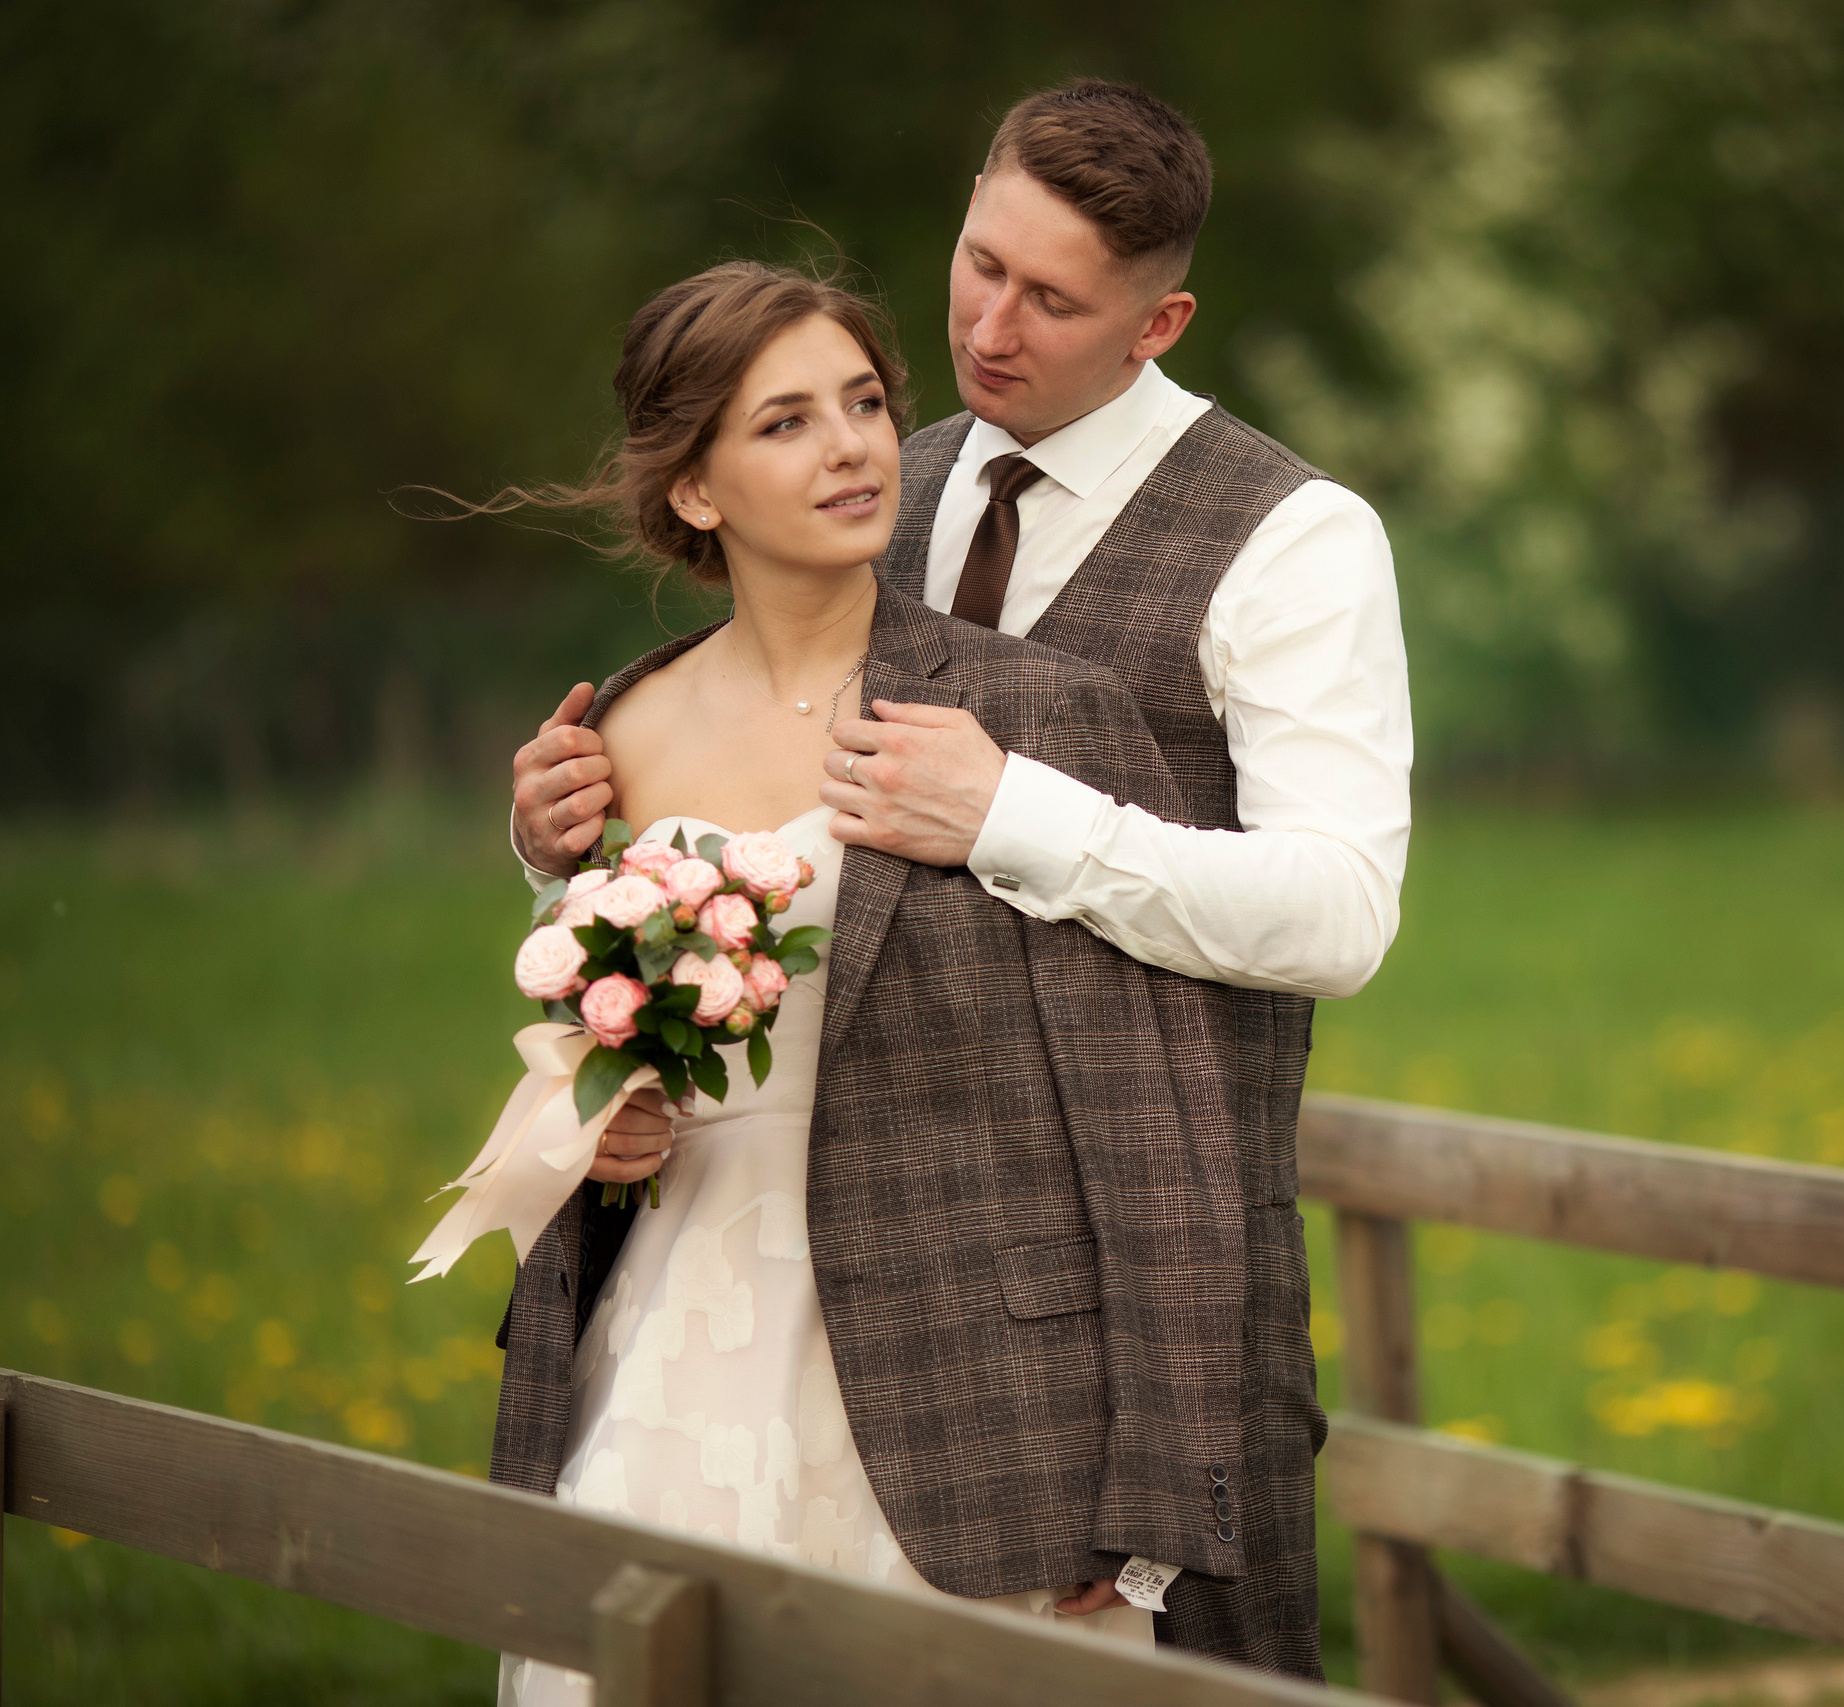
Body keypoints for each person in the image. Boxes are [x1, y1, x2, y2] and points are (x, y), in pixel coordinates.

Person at [511, 80, 1410, 1679]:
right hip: (771, 1296)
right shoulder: (872, 480)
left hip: (1156, 1285)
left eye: (1054, 300)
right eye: (978, 261)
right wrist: (567, 858)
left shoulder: (1292, 541)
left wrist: (1018, 817)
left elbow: (1339, 914)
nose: (990, 328)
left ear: (1161, 320)